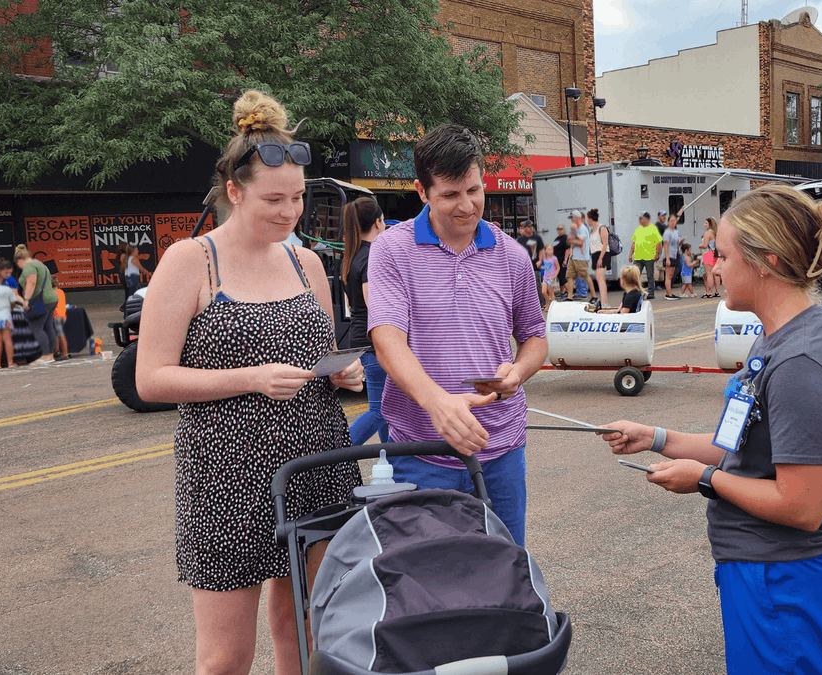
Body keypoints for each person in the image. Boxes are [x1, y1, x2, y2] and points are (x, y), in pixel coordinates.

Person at [134, 90, 365, 675]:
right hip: (225, 478)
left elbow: (319, 354)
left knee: (311, 633)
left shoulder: (305, 262)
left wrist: (343, 372)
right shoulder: (190, 260)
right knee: (223, 659)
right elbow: (150, 378)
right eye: (273, 200)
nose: (289, 213)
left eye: (297, 198)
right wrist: (250, 378)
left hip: (316, 463)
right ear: (233, 191)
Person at [601, 184, 822, 675]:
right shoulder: (776, 340)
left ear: (764, 261)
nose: (713, 266)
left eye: (722, 255)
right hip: (763, 578)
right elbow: (734, 446)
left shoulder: (800, 363)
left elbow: (803, 505)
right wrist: (654, 436)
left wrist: (702, 480)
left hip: (787, 587)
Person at [368, 124, 548, 547]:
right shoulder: (392, 250)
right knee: (431, 584)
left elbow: (535, 336)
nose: (467, 206)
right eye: (450, 195)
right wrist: (438, 404)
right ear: (422, 191)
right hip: (422, 453)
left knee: (505, 572)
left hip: (502, 449)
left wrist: (518, 372)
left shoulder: (511, 255)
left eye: (474, 190)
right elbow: (386, 339)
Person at [341, 196, 391, 446]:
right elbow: (376, 305)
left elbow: (354, 304)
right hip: (374, 343)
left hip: (360, 337)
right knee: (381, 410)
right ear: (379, 222)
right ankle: (339, 455)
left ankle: (392, 463)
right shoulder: (371, 256)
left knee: (387, 411)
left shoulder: (353, 255)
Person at [13, 244, 59, 362]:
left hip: (40, 300)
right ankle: (50, 355)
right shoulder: (40, 264)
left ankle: (45, 356)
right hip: (52, 298)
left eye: (17, 263)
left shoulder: (29, 266)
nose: (18, 266)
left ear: (19, 260)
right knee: (49, 327)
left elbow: (31, 283)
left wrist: (26, 300)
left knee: (36, 327)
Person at [629, 212, 663, 299]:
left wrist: (657, 253)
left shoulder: (653, 229)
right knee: (635, 274)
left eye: (642, 218)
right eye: (639, 218)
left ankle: (651, 292)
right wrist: (630, 254)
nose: (640, 220)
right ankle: (635, 292)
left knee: (650, 275)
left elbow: (658, 242)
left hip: (649, 257)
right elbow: (634, 243)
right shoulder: (638, 229)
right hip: (638, 257)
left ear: (647, 219)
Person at [564, 211, 590, 301]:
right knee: (570, 276)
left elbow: (580, 242)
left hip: (581, 257)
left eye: (573, 218)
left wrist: (571, 241)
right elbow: (569, 241)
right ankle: (570, 297)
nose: (571, 220)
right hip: (574, 256)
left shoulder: (583, 228)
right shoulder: (575, 229)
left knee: (582, 276)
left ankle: (583, 293)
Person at [587, 209, 611, 307]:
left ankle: (605, 302)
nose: (587, 222)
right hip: (595, 255)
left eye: (587, 219)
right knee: (598, 278)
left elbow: (605, 243)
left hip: (603, 254)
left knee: (601, 278)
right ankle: (603, 301)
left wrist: (600, 258)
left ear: (591, 219)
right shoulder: (592, 230)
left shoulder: (602, 228)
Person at [661, 214, 683, 300]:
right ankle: (668, 294)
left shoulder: (676, 232)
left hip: (674, 255)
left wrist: (681, 242)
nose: (673, 222)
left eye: (674, 221)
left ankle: (670, 292)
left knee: (671, 275)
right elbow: (665, 246)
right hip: (669, 255)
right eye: (671, 221)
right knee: (668, 275)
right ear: (668, 222)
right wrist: (667, 258)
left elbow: (677, 243)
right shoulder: (667, 232)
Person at [701, 216, 721, 298]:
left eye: (706, 223)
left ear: (710, 224)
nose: (704, 225)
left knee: (709, 273)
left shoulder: (707, 233)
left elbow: (705, 245)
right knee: (716, 274)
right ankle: (717, 292)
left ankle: (708, 292)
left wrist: (700, 245)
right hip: (715, 254)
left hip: (708, 254)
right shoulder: (716, 233)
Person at [51, 277, 69, 360]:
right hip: (62, 315)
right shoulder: (61, 292)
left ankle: (65, 353)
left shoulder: (52, 293)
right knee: (57, 334)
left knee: (60, 334)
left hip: (56, 315)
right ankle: (57, 351)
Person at [551, 223, 569, 296]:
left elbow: (567, 249)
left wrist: (565, 259)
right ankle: (562, 292)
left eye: (561, 229)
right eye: (558, 229)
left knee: (562, 276)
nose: (559, 230)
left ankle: (569, 293)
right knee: (559, 276)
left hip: (562, 260)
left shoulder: (565, 238)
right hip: (557, 261)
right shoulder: (557, 238)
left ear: (564, 229)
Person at [539, 246, 560, 311]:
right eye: (549, 249)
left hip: (552, 278)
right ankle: (549, 304)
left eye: (551, 249)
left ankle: (553, 307)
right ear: (545, 251)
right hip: (545, 278)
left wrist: (555, 276)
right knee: (543, 292)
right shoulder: (544, 259)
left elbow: (558, 267)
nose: (550, 251)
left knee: (551, 292)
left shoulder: (554, 258)